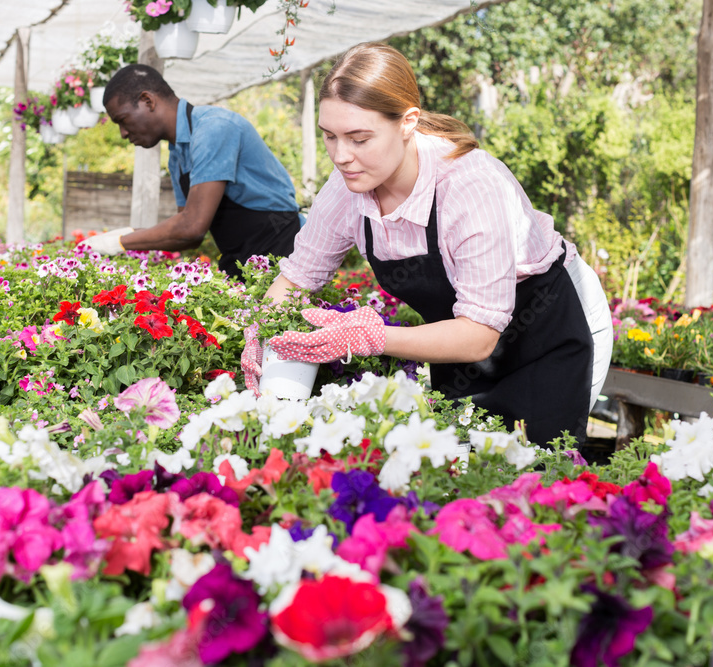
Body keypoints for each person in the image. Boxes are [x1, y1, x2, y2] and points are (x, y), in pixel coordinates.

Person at [243, 42, 613, 446]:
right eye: (330, 136)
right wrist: (261, 327)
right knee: (458, 475)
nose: (341, 156)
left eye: (359, 138)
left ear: (408, 122)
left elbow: (480, 335)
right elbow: (297, 278)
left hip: (547, 332)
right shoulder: (346, 188)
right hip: (460, 346)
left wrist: (372, 337)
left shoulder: (470, 185)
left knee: (533, 475)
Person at [79, 64, 302, 279]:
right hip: (243, 262)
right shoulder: (178, 155)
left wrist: (120, 242)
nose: (123, 133)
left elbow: (191, 227)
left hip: (282, 254)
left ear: (148, 100)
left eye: (122, 120)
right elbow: (184, 233)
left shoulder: (213, 129)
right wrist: (120, 235)